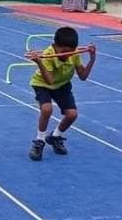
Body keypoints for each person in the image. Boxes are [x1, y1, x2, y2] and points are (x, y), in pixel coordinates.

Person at [26, 26, 96, 159]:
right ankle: (39, 140)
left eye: (70, 52)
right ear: (55, 46)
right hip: (43, 84)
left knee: (72, 114)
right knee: (47, 109)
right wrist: (39, 63)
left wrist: (92, 59)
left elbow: (83, 76)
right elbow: (50, 81)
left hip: (62, 85)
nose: (67, 55)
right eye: (63, 51)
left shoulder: (74, 55)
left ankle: (55, 136)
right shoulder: (48, 54)